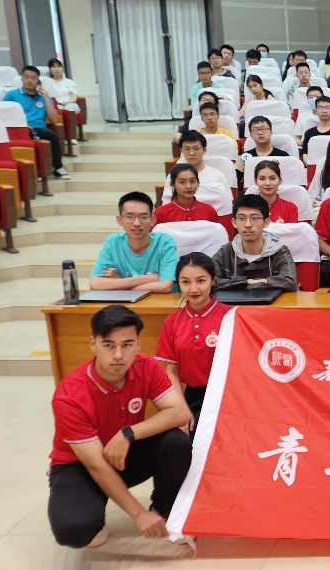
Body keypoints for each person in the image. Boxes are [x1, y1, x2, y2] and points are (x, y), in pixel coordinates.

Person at [47, 305, 193, 549]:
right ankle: (93, 507)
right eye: (108, 345)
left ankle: (165, 510)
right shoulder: (69, 396)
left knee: (177, 441)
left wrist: (128, 434)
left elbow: (179, 413)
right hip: (80, 466)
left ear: (137, 344)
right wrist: (138, 514)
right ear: (93, 344)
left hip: (124, 454)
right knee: (74, 531)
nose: (118, 355)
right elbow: (95, 464)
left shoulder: (146, 366)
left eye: (127, 345)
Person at [155, 252, 225, 436]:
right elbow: (171, 370)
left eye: (201, 281)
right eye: (186, 282)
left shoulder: (230, 316)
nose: (194, 289)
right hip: (190, 396)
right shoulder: (172, 321)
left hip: (225, 396)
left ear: (213, 280)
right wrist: (181, 408)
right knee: (177, 438)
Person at [90, 192, 177, 293]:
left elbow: (165, 286)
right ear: (119, 220)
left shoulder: (165, 243)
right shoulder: (113, 242)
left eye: (143, 217)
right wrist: (147, 279)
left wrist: (119, 284)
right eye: (129, 216)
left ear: (152, 220)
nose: (136, 223)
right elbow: (95, 283)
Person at [213, 194, 298, 292]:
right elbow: (210, 281)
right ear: (234, 222)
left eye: (255, 218)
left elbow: (290, 282)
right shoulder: (225, 252)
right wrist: (246, 282)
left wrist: (252, 282)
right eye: (241, 218)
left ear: (266, 222)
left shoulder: (280, 251)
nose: (248, 224)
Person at [4, 66, 69, 179]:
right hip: (19, 128)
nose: (29, 80)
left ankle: (58, 167)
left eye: (33, 78)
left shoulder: (43, 97)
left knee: (52, 136)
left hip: (38, 129)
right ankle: (35, 172)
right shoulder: (12, 95)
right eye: (26, 77)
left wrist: (45, 98)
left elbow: (54, 119)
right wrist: (22, 125)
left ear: (38, 81)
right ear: (22, 79)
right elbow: (3, 115)